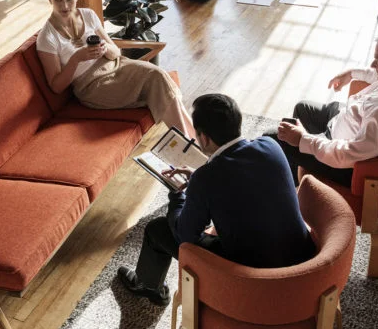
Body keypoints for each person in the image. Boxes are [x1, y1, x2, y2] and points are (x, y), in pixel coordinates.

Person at [117, 93, 315, 305]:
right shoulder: (271, 145)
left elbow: (185, 236)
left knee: (157, 229)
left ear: (204, 138)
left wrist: (176, 194)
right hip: (301, 261)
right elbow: (243, 184)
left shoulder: (207, 177)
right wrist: (198, 182)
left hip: (253, 276)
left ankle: (148, 287)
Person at [271, 32, 378, 187]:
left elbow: (348, 155)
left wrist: (304, 140)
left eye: (377, 61)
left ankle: (285, 196)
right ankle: (294, 182)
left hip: (348, 164)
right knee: (303, 109)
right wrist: (353, 73)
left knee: (276, 137)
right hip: (352, 121)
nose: (372, 65)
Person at [36, 0, 194, 136]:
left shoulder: (88, 15)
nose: (65, 6)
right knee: (158, 82)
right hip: (92, 86)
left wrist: (104, 48)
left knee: (159, 76)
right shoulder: (47, 37)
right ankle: (190, 147)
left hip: (117, 65)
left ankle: (192, 145)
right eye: (58, 0)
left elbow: (115, 53)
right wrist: (76, 58)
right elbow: (56, 86)